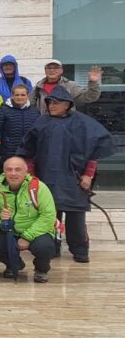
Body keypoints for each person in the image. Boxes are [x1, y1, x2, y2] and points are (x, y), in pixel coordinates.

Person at [19, 85, 115, 263]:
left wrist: (88, 175)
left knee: (76, 220)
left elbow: (93, 152)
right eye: (49, 102)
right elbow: (28, 152)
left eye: (56, 103)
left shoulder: (83, 123)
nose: (51, 106)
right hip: (46, 179)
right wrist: (32, 177)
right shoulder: (41, 123)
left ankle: (80, 250)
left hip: (74, 179)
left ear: (67, 105)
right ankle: (52, 247)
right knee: (49, 217)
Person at [0, 157, 57, 283]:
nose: (13, 173)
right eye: (9, 170)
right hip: (10, 231)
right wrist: (0, 218)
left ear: (26, 172)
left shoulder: (39, 188)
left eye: (18, 170)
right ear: (4, 172)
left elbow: (48, 216)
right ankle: (14, 264)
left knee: (44, 247)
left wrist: (27, 237)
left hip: (37, 231)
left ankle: (41, 269)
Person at [0, 83, 40, 165]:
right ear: (12, 95)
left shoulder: (34, 111)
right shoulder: (4, 109)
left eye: (23, 95)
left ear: (27, 96)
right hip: (9, 149)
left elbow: (38, 130)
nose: (20, 97)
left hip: (29, 150)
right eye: (17, 95)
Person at [31, 59, 102, 112]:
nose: (52, 70)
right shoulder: (38, 87)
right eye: (49, 68)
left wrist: (93, 83)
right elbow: (29, 105)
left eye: (56, 68)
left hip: (65, 125)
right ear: (45, 70)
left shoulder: (70, 85)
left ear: (61, 70)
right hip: (43, 125)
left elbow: (89, 97)